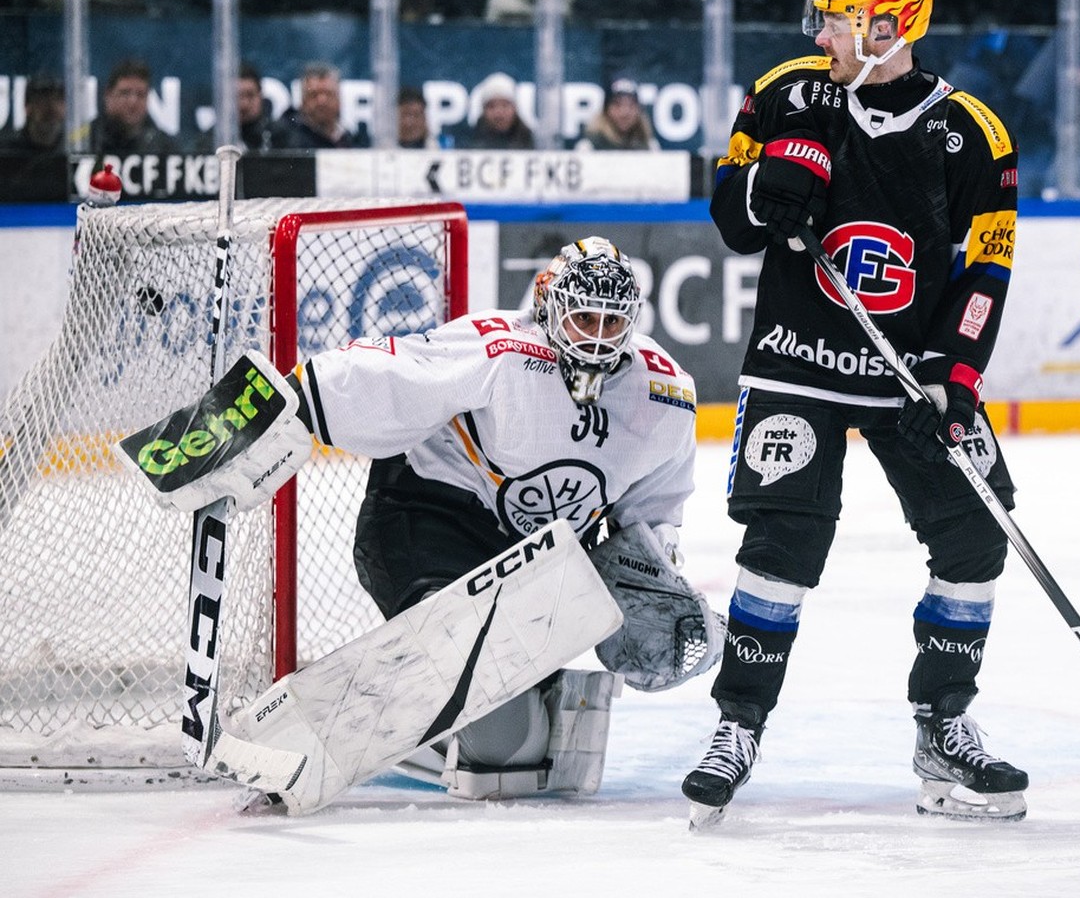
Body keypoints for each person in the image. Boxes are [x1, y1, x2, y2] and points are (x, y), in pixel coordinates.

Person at [125, 236, 717, 802]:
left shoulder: (664, 395)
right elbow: (393, 372)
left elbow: (653, 512)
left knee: (511, 755)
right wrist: (271, 407)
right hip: (427, 521)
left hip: (534, 564)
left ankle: (445, 709)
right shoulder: (503, 351)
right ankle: (415, 695)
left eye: (611, 323)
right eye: (582, 319)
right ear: (549, 306)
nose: (596, 338)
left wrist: (651, 570)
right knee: (484, 710)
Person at [681, 0, 1026, 826]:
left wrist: (954, 370)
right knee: (782, 549)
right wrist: (768, 187)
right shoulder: (788, 92)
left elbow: (986, 271)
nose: (821, 32)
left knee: (977, 534)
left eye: (838, 18)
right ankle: (738, 724)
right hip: (799, 362)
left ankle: (943, 722)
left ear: (886, 29)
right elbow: (730, 220)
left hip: (914, 378)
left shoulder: (972, 133)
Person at [88, 58, 178, 154]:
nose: (133, 102)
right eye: (125, 93)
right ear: (108, 95)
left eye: (140, 94)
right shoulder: (85, 141)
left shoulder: (164, 148)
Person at [273, 62, 368, 149]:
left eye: (329, 94)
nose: (322, 101)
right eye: (314, 95)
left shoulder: (350, 141)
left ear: (339, 99)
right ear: (303, 100)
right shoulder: (284, 139)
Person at [574, 78, 658, 152]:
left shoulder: (650, 147)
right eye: (617, 105)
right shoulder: (589, 147)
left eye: (631, 105)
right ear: (606, 110)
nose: (624, 112)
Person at [457, 73, 534, 150]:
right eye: (492, 106)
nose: (499, 112)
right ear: (483, 110)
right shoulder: (470, 144)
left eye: (505, 105)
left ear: (515, 108)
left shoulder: (532, 142)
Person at [0, 73, 65, 153]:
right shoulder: (6, 151)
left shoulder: (72, 149)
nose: (52, 107)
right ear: (28, 106)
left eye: (58, 99)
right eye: (44, 99)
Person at [396, 85, 433, 149]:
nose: (410, 123)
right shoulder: (378, 151)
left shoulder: (441, 152)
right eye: (404, 115)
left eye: (416, 115)